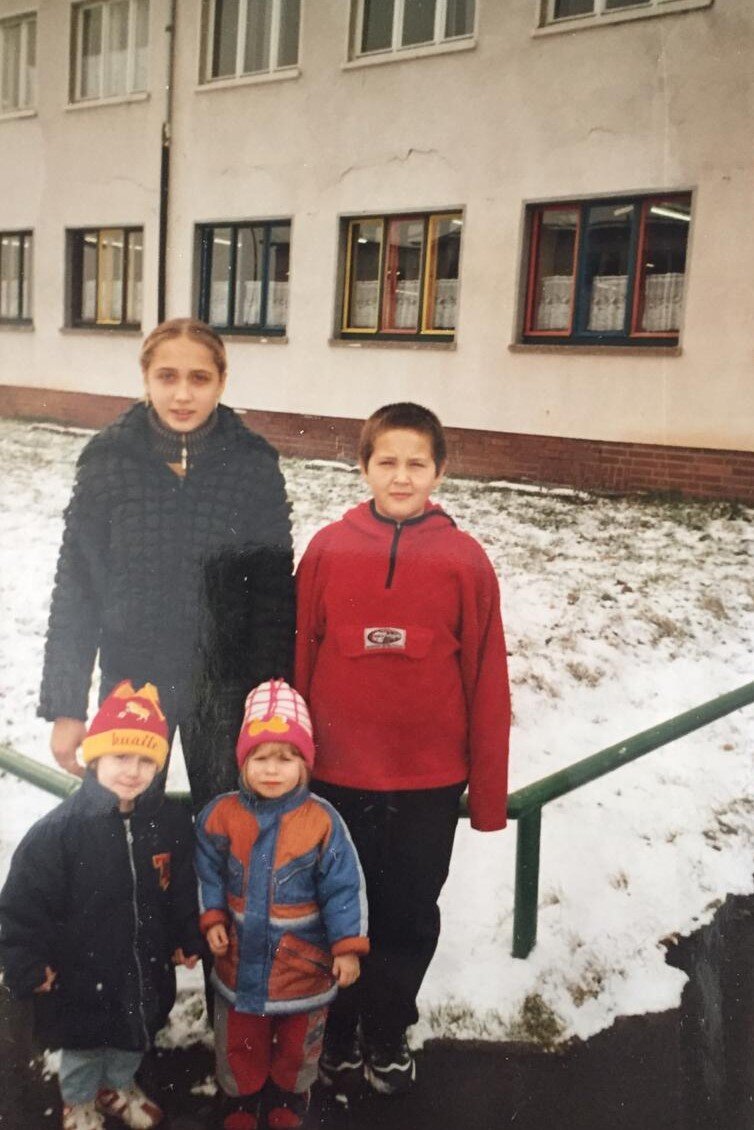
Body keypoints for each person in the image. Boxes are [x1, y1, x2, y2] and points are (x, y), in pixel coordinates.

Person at [294, 402, 511, 1098]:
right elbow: (299, 654)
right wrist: (291, 759)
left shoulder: (464, 560)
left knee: (409, 911)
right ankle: (335, 1027)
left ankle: (387, 1031)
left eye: (417, 462)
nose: (401, 475)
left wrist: (488, 789)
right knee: (335, 910)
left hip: (427, 779)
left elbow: (486, 675)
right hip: (336, 774)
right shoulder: (329, 548)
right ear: (363, 467)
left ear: (440, 471)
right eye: (386, 460)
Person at [39, 317, 295, 810]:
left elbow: (273, 599)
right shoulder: (108, 460)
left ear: (221, 381)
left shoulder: (253, 465)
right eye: (167, 376)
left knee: (232, 823)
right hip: (135, 678)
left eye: (199, 378)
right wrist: (66, 707)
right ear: (146, 378)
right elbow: (77, 589)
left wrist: (268, 705)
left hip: (224, 688)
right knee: (122, 818)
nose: (182, 394)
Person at [0, 681, 203, 1130]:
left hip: (143, 967)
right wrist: (28, 963)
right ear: (95, 759)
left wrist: (187, 934)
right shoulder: (58, 834)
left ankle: (117, 1086)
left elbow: (181, 890)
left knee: (133, 1035)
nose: (132, 771)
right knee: (84, 1044)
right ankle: (79, 1101)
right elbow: (22, 907)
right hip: (80, 974)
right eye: (120, 757)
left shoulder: (167, 826)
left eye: (146, 760)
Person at [195, 679, 368, 1130]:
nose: (273, 770)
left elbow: (343, 888)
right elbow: (207, 869)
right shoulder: (222, 815)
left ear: (305, 764)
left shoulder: (322, 822)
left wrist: (347, 945)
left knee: (298, 1042)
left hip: (302, 968)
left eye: (287, 758)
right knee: (240, 1039)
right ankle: (241, 1097)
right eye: (261, 758)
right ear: (243, 761)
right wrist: (212, 913)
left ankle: (291, 1094)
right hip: (239, 961)